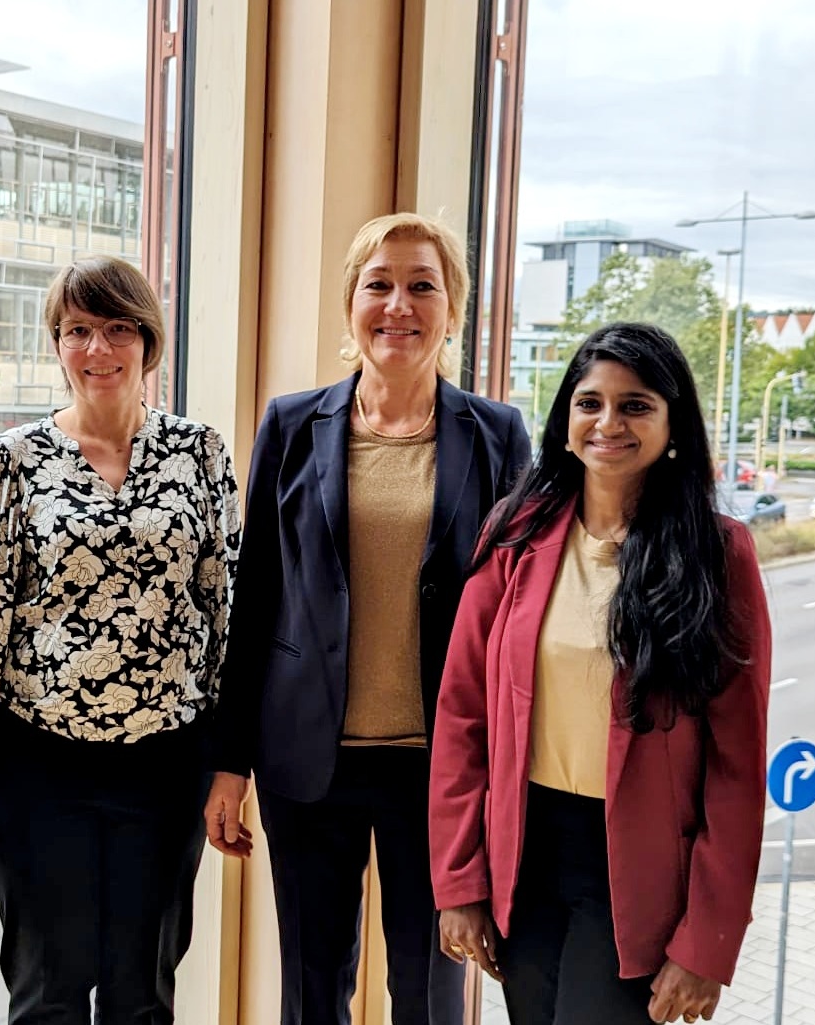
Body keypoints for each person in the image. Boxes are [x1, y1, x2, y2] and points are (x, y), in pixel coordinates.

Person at [204, 212, 531, 1024]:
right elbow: (257, 603)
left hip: (443, 771)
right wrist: (229, 762)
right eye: (378, 283)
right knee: (314, 994)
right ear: (350, 303)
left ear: (452, 307)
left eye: (423, 285)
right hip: (308, 763)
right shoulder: (291, 424)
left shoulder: (497, 435)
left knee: (431, 997)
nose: (399, 303)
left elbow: (519, 614)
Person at [0, 255, 241, 1025]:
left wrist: (232, 762)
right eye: (76, 331)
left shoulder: (200, 453)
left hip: (167, 764)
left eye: (117, 329)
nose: (97, 349)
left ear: (148, 341)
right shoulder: (15, 458)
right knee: (47, 992)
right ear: (57, 344)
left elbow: (229, 613)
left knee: (142, 996)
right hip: (37, 764)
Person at [430, 322, 772, 1025]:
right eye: (590, 403)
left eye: (636, 404)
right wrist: (459, 881)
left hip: (638, 876)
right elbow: (463, 716)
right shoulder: (514, 534)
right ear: (564, 421)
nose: (608, 422)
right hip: (523, 856)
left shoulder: (718, 554)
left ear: (672, 424)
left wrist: (708, 941)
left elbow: (738, 767)